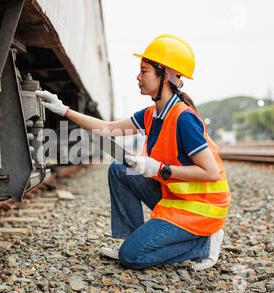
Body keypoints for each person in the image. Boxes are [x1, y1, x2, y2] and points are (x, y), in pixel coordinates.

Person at [35, 34, 231, 271]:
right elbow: (106, 128)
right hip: (176, 197)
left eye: (144, 70)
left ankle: (204, 244)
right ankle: (133, 239)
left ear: (165, 75)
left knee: (132, 258)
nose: (138, 77)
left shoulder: (183, 118)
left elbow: (210, 173)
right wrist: (64, 110)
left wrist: (158, 169)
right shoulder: (152, 114)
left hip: (200, 208)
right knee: (119, 169)